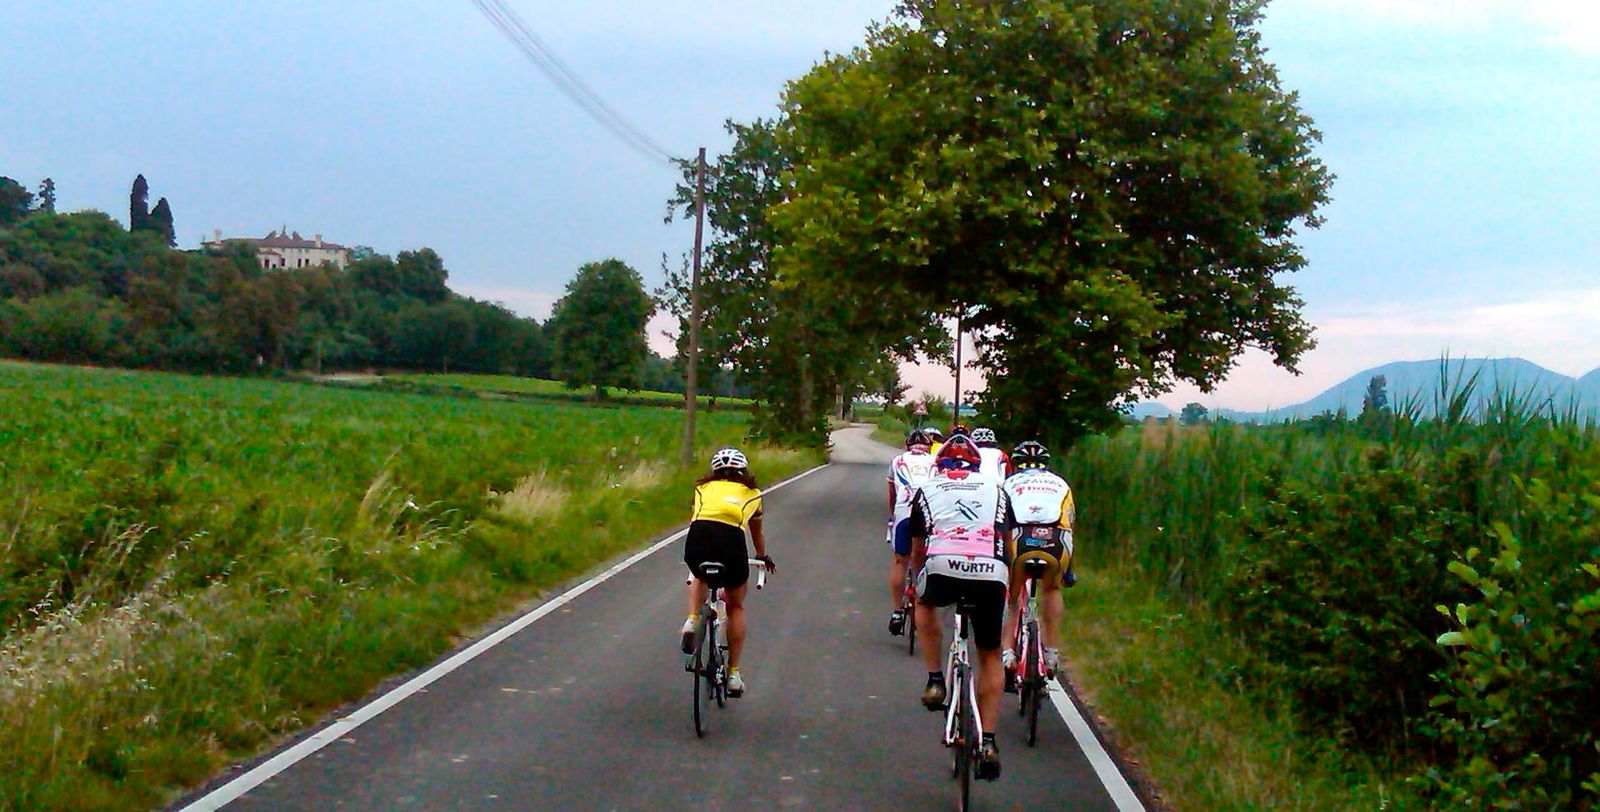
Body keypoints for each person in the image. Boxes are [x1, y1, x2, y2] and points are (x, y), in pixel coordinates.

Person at [907, 434, 1008, 780]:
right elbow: (1006, 542)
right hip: (990, 571)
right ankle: (989, 742)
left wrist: (915, 581)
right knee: (990, 655)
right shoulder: (997, 489)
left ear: (940, 465)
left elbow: (918, 549)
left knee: (923, 602)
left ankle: (935, 679)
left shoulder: (929, 488)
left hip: (942, 566)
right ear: (977, 467)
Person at [681, 447, 775, 698]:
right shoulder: (753, 494)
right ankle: (733, 674)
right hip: (731, 542)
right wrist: (761, 555)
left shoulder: (701, 488)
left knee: (699, 574)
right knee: (736, 605)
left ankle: (692, 618)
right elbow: (756, 532)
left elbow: (697, 516)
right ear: (743, 471)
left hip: (698, 538)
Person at [999, 440, 1075, 687]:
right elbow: (1069, 524)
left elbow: (1000, 522)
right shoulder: (1061, 484)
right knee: (1052, 589)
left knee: (1011, 597)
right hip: (1055, 541)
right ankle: (1051, 653)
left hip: (1020, 540)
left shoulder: (1008, 483)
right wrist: (1069, 570)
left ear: (1016, 464)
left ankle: (1008, 654)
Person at [887, 428, 937, 635]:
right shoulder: (935, 461)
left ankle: (897, 611)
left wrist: (892, 516)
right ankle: (922, 600)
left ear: (908, 446)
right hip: (927, 513)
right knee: (924, 560)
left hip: (904, 512)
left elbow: (892, 493)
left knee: (901, 561)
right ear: (928, 446)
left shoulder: (898, 461)